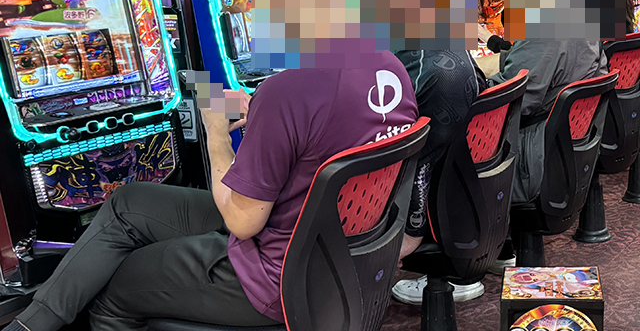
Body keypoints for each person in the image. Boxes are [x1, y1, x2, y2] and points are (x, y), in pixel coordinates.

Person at [7, 54, 418, 331]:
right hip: (342, 256)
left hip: (277, 277)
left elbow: (242, 222)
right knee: (127, 203)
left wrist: (216, 135)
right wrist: (266, 110)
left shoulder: (287, 91)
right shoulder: (391, 67)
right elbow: (328, 123)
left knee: (116, 287)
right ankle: (30, 324)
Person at [475, 40, 607, 271]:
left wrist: (470, 80)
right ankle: (499, 248)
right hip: (565, 158)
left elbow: (510, 99)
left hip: (532, 166)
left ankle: (462, 273)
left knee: (444, 137)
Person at [391, 50, 488, 305]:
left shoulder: (417, 65)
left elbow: (422, 162)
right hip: (467, 198)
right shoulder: (454, 48)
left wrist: (412, 232)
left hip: (434, 210)